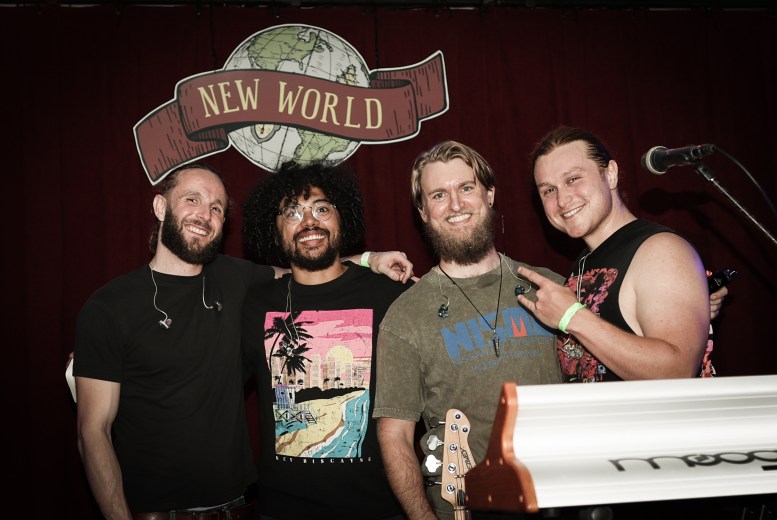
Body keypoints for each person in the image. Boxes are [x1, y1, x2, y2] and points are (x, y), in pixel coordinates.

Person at [73, 162, 413, 519]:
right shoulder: (109, 307)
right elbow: (92, 433)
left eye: (216, 207)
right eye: (192, 199)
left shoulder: (236, 280)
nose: (204, 214)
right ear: (161, 207)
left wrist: (369, 259)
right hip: (161, 511)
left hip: (241, 507)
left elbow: (308, 265)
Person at [373, 141, 564, 520]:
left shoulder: (551, 287)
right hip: (466, 509)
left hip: (565, 499)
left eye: (466, 188)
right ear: (424, 212)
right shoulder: (405, 317)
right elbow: (394, 437)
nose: (456, 205)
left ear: (489, 194)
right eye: (438, 195)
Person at [240, 160, 413, 520]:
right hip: (283, 510)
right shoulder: (255, 305)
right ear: (274, 230)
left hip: (379, 509)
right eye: (292, 212)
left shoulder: (390, 295)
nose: (309, 221)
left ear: (341, 217)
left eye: (321, 208)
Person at [517, 126, 713, 383]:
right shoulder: (583, 265)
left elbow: (677, 370)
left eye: (573, 179)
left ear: (610, 175)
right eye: (548, 190)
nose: (562, 199)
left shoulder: (660, 249)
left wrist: (571, 316)